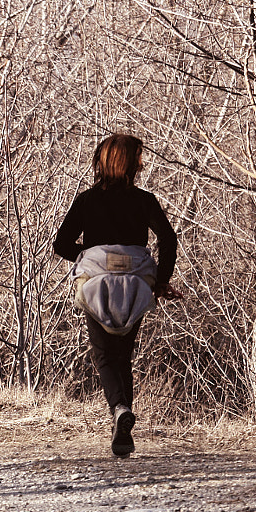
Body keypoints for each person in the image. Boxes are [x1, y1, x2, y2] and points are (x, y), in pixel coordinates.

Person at [53, 134, 179, 458]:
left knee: (104, 355)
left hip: (96, 284)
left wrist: (92, 256)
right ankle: (121, 423)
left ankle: (119, 409)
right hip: (136, 284)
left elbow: (61, 245)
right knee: (124, 354)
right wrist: (161, 281)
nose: (142, 163)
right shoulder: (145, 200)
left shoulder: (86, 201)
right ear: (126, 163)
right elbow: (168, 238)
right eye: (138, 157)